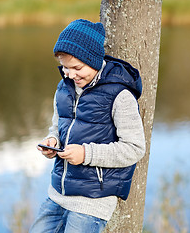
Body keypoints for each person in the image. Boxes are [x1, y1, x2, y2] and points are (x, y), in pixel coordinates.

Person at [29, 19, 146, 233]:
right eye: (65, 67)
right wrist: (52, 142)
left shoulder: (120, 96)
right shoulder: (64, 88)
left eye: (77, 68)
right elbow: (57, 127)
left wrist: (86, 154)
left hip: (92, 202)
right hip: (57, 194)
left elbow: (135, 148)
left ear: (92, 60)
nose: (70, 74)